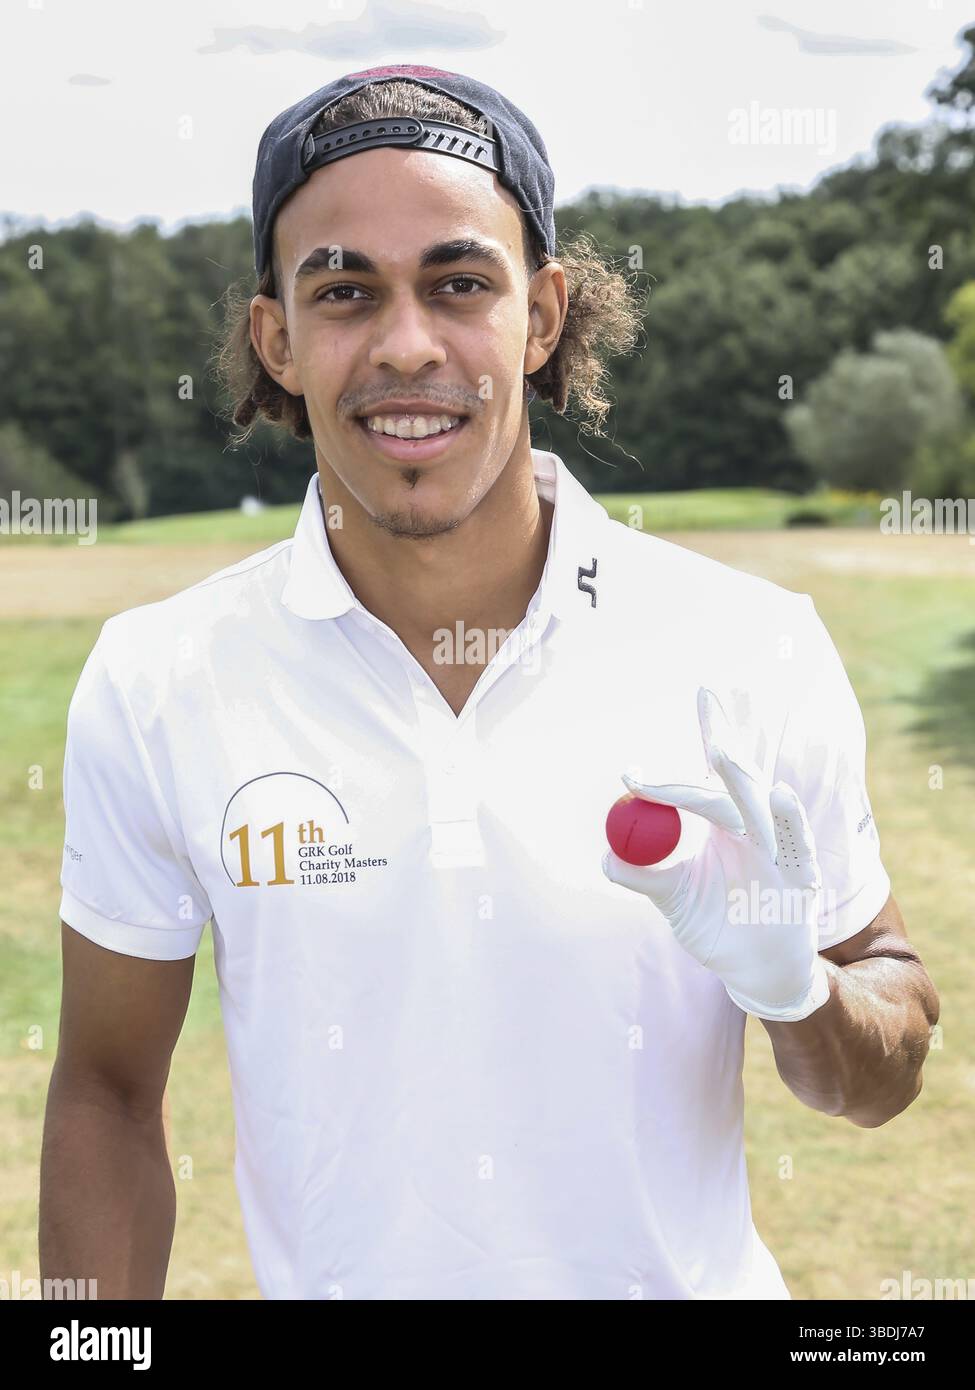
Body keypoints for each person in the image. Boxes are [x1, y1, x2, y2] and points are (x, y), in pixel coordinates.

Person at [40, 66, 939, 1301]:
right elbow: (105, 1091)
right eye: (345, 292)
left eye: (461, 284)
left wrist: (802, 989)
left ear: (543, 315)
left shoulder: (749, 646)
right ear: (276, 341)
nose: (408, 345)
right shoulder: (159, 678)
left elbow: (883, 1074)